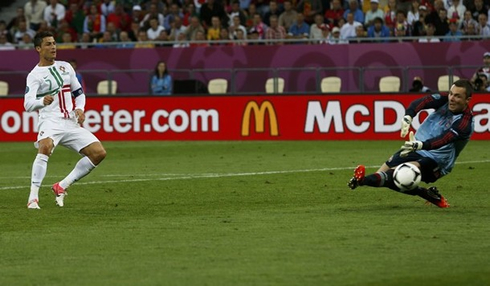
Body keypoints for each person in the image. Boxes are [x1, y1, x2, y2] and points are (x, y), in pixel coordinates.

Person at [348, 79, 474, 208]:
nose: (452, 98)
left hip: (436, 159)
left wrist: (421, 145)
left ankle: (361, 180)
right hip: (415, 148)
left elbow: (444, 139)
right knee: (384, 175)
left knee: (396, 174)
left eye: (457, 96)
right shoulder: (444, 100)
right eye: (451, 93)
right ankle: (427, 194)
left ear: (467, 100)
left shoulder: (465, 122)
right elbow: (422, 102)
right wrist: (408, 116)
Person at [24, 31, 106, 209]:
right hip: (50, 121)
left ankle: (61, 186)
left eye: (54, 43)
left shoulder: (66, 67)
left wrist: (80, 108)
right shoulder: (35, 75)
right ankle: (33, 198)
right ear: (38, 48)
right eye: (48, 44)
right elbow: (27, 104)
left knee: (99, 153)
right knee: (44, 147)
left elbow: (78, 93)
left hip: (70, 122)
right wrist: (41, 101)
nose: (53, 47)